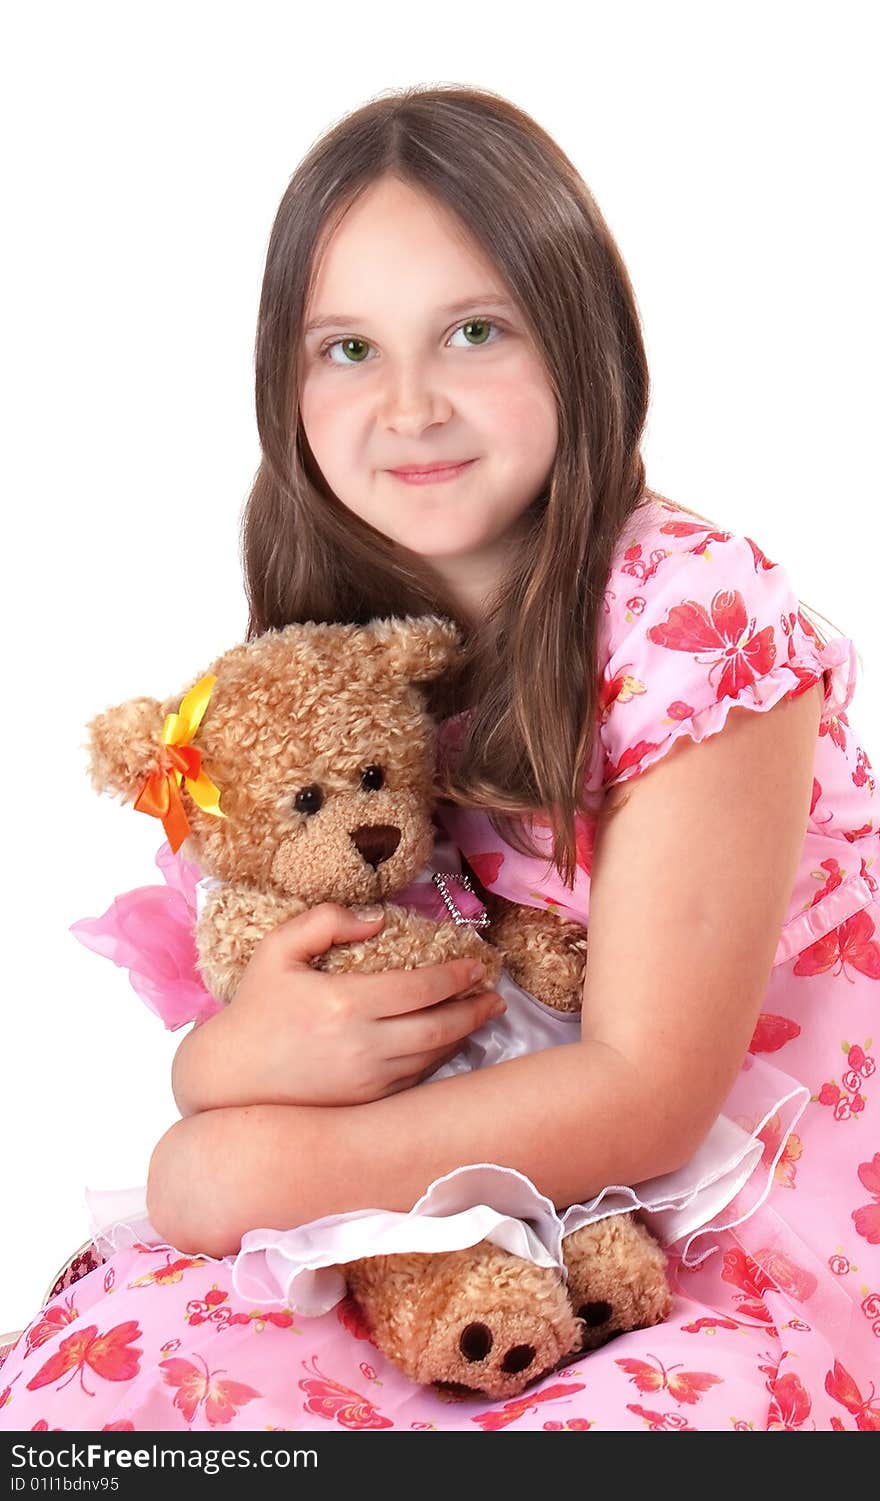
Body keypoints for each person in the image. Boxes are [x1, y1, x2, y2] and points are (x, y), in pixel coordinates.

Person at [2, 84, 877, 1434]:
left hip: (719, 1214)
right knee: (124, 1391)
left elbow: (649, 1093)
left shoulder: (694, 615)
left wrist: (255, 1162)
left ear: (583, 348)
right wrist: (224, 1077)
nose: (408, 405)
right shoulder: (328, 666)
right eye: (346, 349)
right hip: (436, 1210)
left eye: (472, 333)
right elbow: (253, 1002)